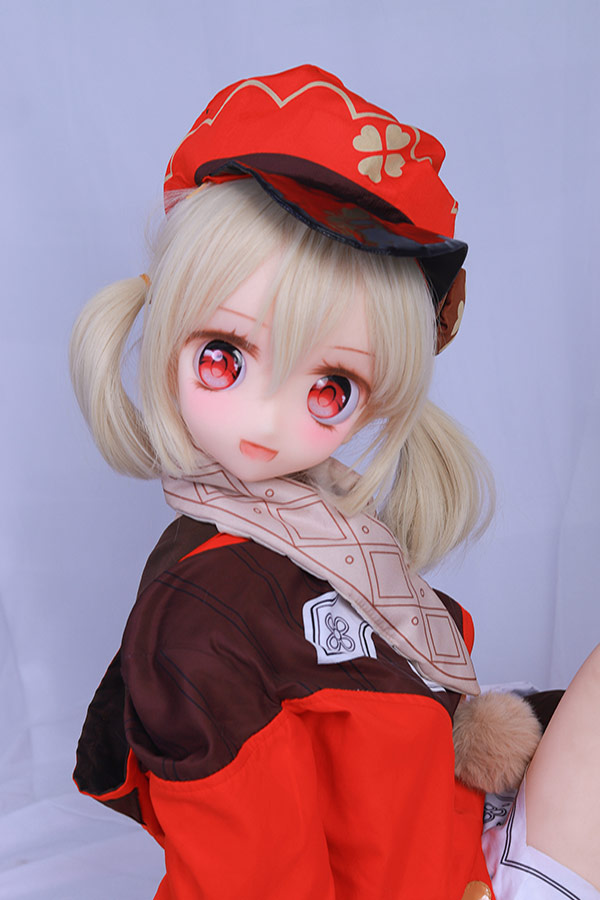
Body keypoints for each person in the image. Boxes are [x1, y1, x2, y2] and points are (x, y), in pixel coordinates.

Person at [70, 64, 599, 899]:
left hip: (457, 842)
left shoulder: (320, 534)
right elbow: (254, 873)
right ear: (165, 327)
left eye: (330, 387)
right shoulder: (202, 619)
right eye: (224, 356)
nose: (268, 418)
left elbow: (387, 737)